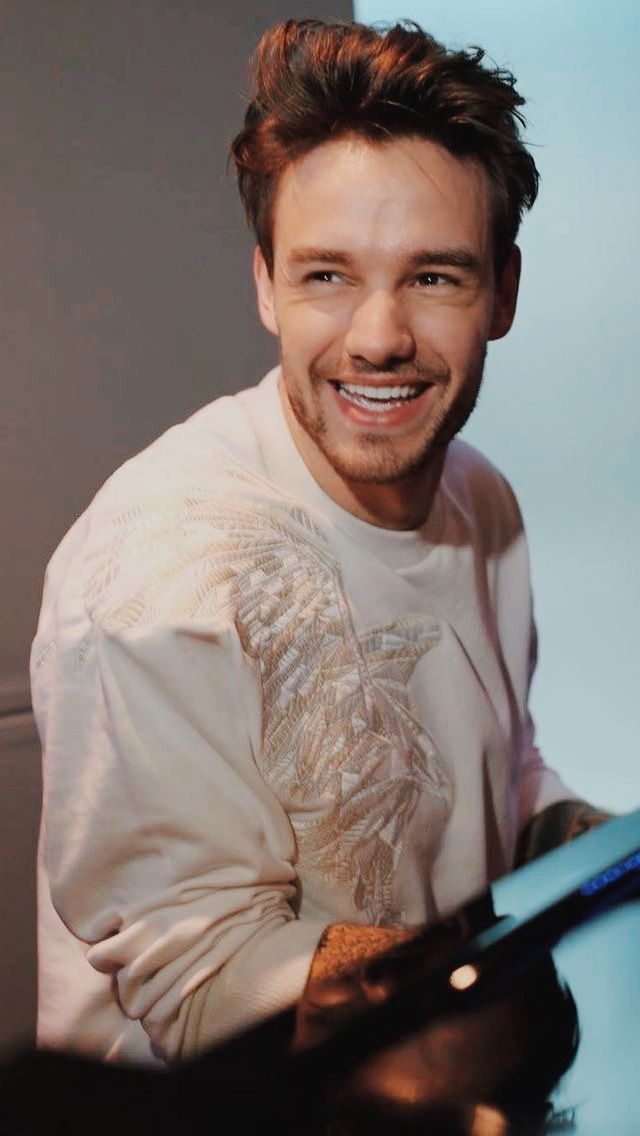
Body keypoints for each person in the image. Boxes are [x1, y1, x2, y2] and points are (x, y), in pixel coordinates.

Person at [30, 18, 609, 1070]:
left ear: (505, 292)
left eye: (434, 276)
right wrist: (505, 1005)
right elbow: (203, 977)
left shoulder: (482, 497)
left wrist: (605, 861)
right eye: (327, 276)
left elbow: (497, 777)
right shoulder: (158, 573)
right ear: (264, 285)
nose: (379, 335)